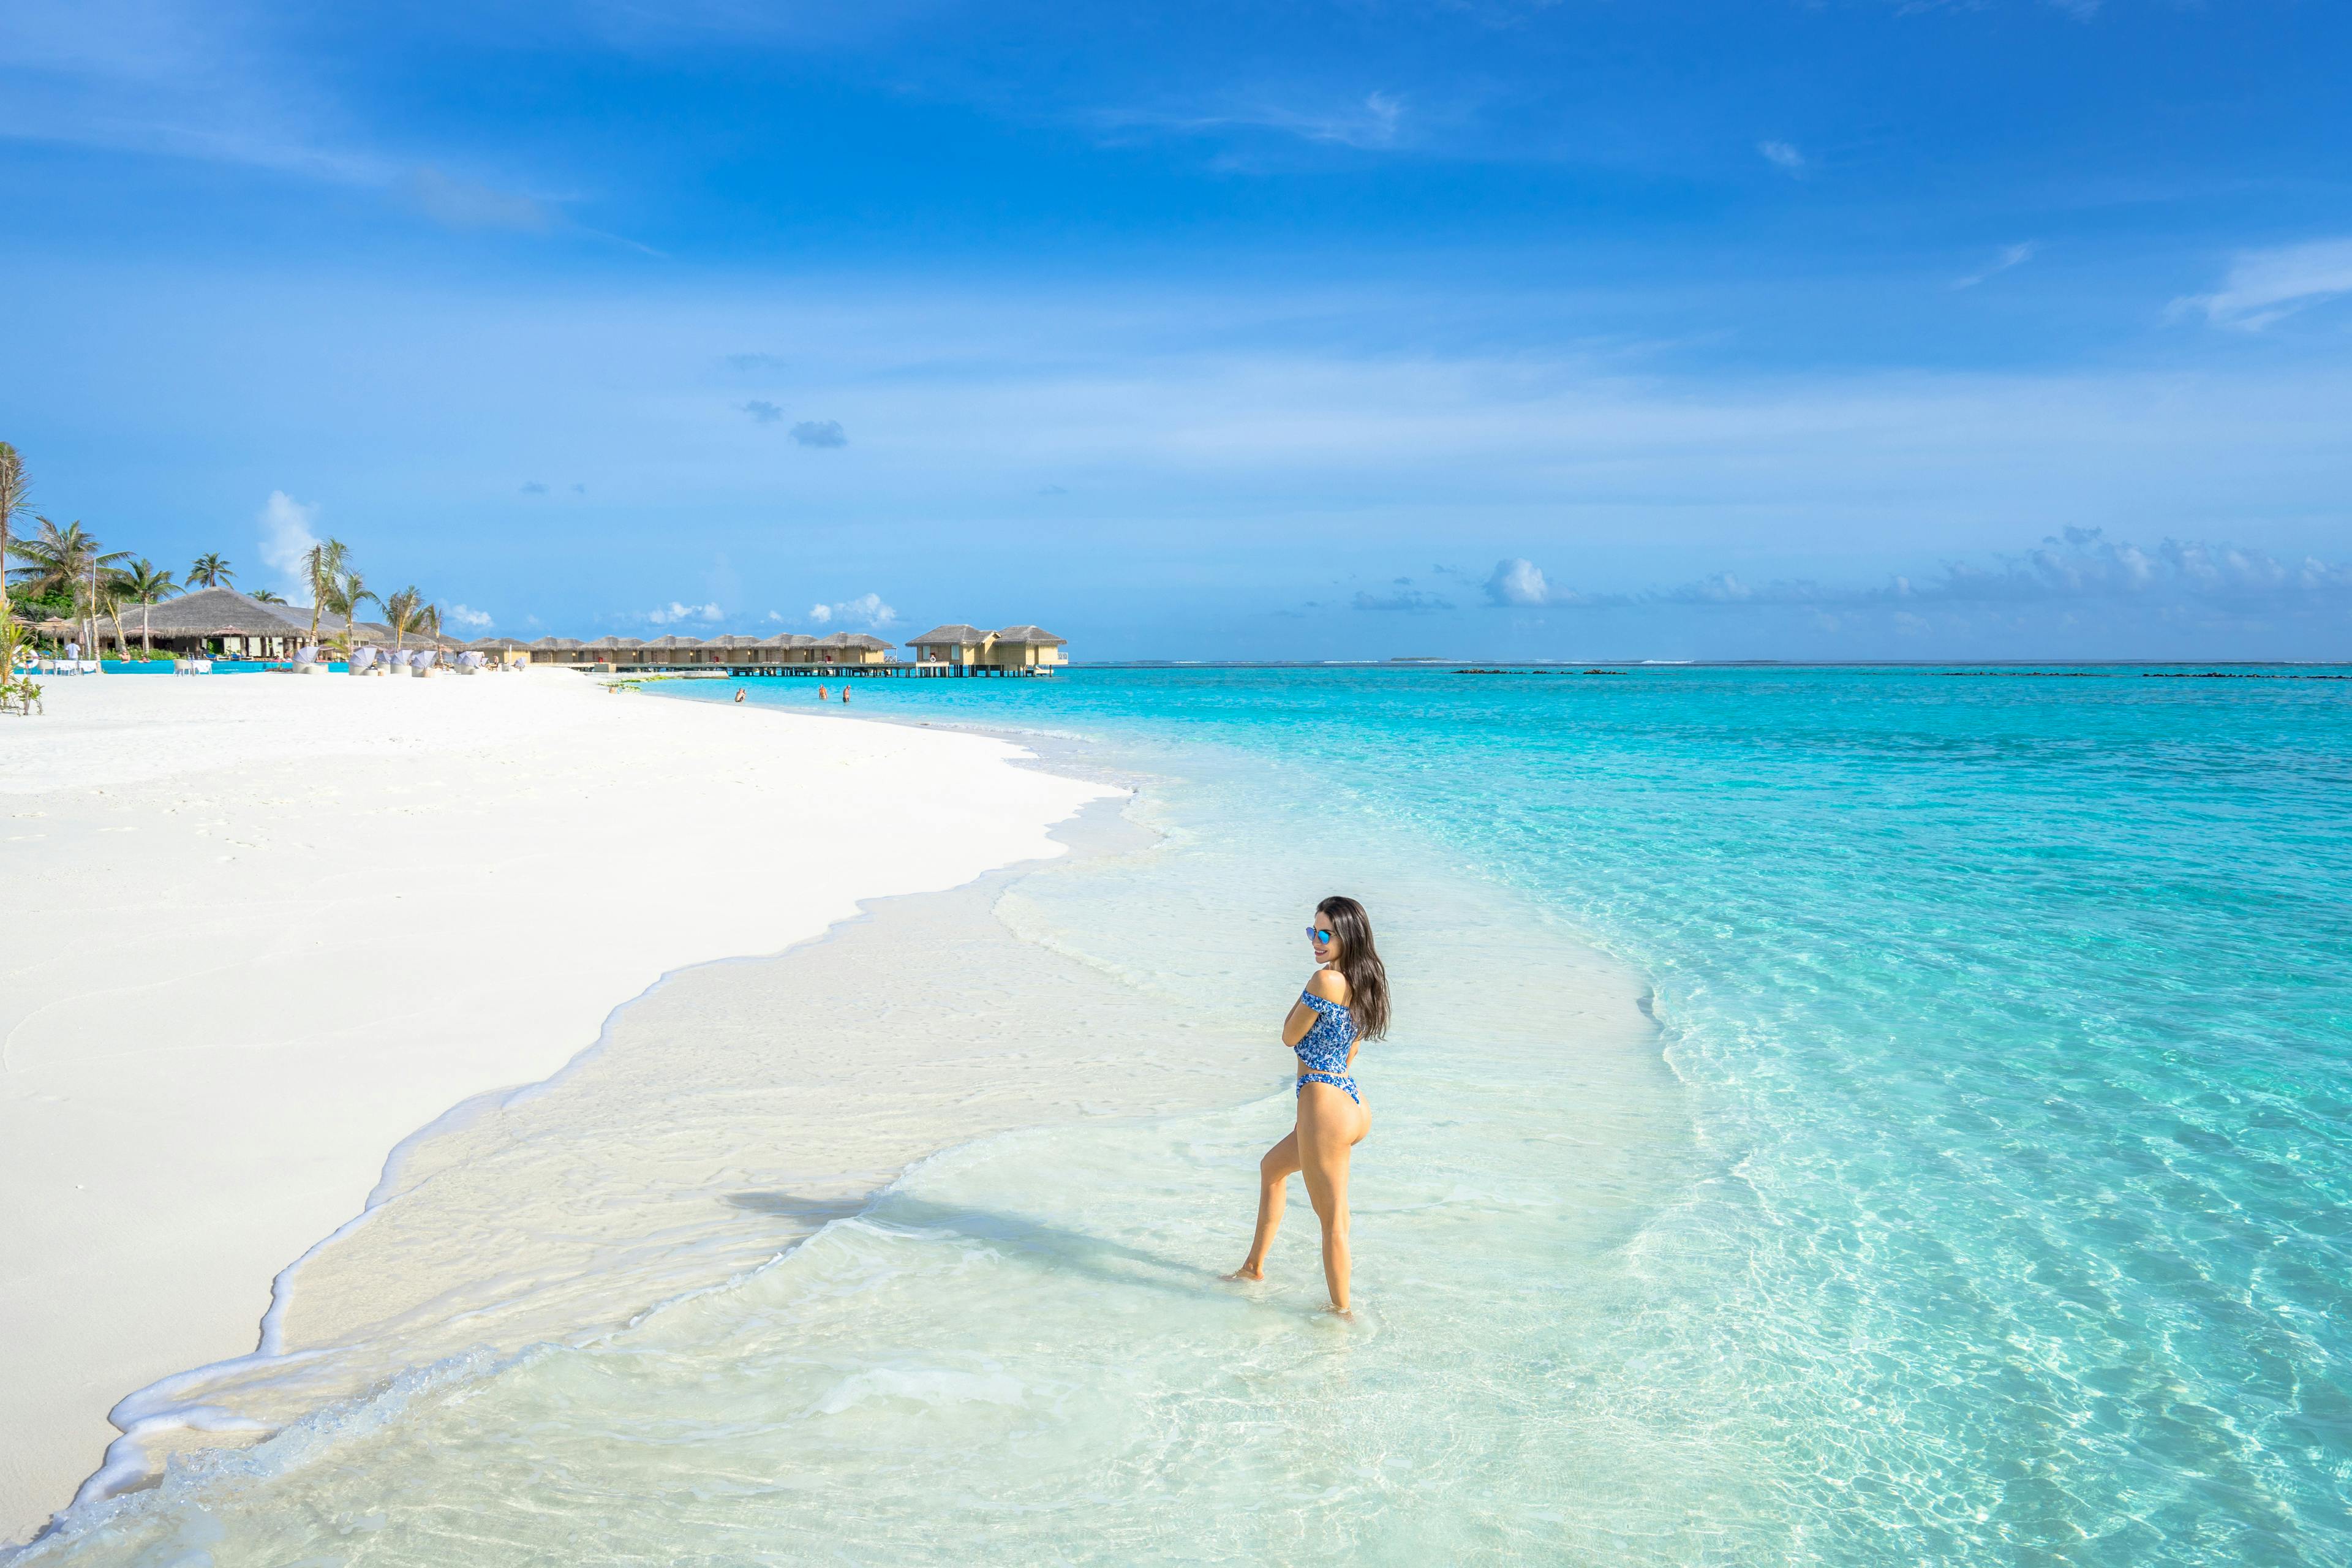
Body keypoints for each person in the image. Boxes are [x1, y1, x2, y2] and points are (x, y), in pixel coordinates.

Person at [1230, 895, 1390, 1314]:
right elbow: (1350, 1053)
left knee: (1333, 1222)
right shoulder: (1364, 982)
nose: (1315, 941)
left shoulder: (1326, 982)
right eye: (1311, 931)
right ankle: (1252, 1268)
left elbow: (1288, 1035)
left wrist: (1310, 985)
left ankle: (1343, 1314)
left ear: (1347, 937)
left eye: (1325, 933)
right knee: (1272, 1168)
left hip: (1324, 1104)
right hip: (1350, 1101)